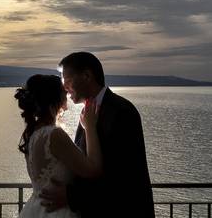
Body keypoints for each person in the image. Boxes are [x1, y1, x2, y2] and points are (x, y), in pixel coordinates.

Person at [39, 52, 155, 217]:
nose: (64, 88)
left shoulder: (122, 111)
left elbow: (123, 178)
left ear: (87, 76)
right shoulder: (87, 114)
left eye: (68, 81)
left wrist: (71, 196)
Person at [15, 74, 103, 217]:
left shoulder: (32, 133)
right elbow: (93, 169)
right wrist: (90, 127)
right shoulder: (54, 135)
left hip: (37, 208)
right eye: (63, 90)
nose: (67, 92)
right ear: (53, 98)